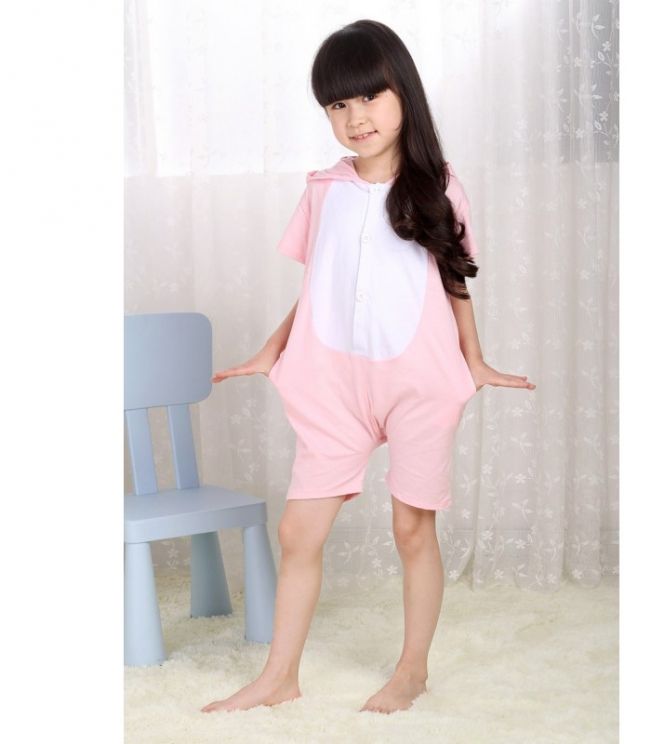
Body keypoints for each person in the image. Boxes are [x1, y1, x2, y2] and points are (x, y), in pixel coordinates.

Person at [201, 19, 535, 716]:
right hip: (334, 384)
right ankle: (279, 677)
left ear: (403, 93)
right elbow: (320, 284)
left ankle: (412, 672)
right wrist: (272, 349)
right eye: (338, 104)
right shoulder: (324, 189)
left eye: (370, 97)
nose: (356, 117)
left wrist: (474, 360)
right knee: (298, 531)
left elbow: (454, 279)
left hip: (419, 382)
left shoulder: (438, 186)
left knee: (412, 528)